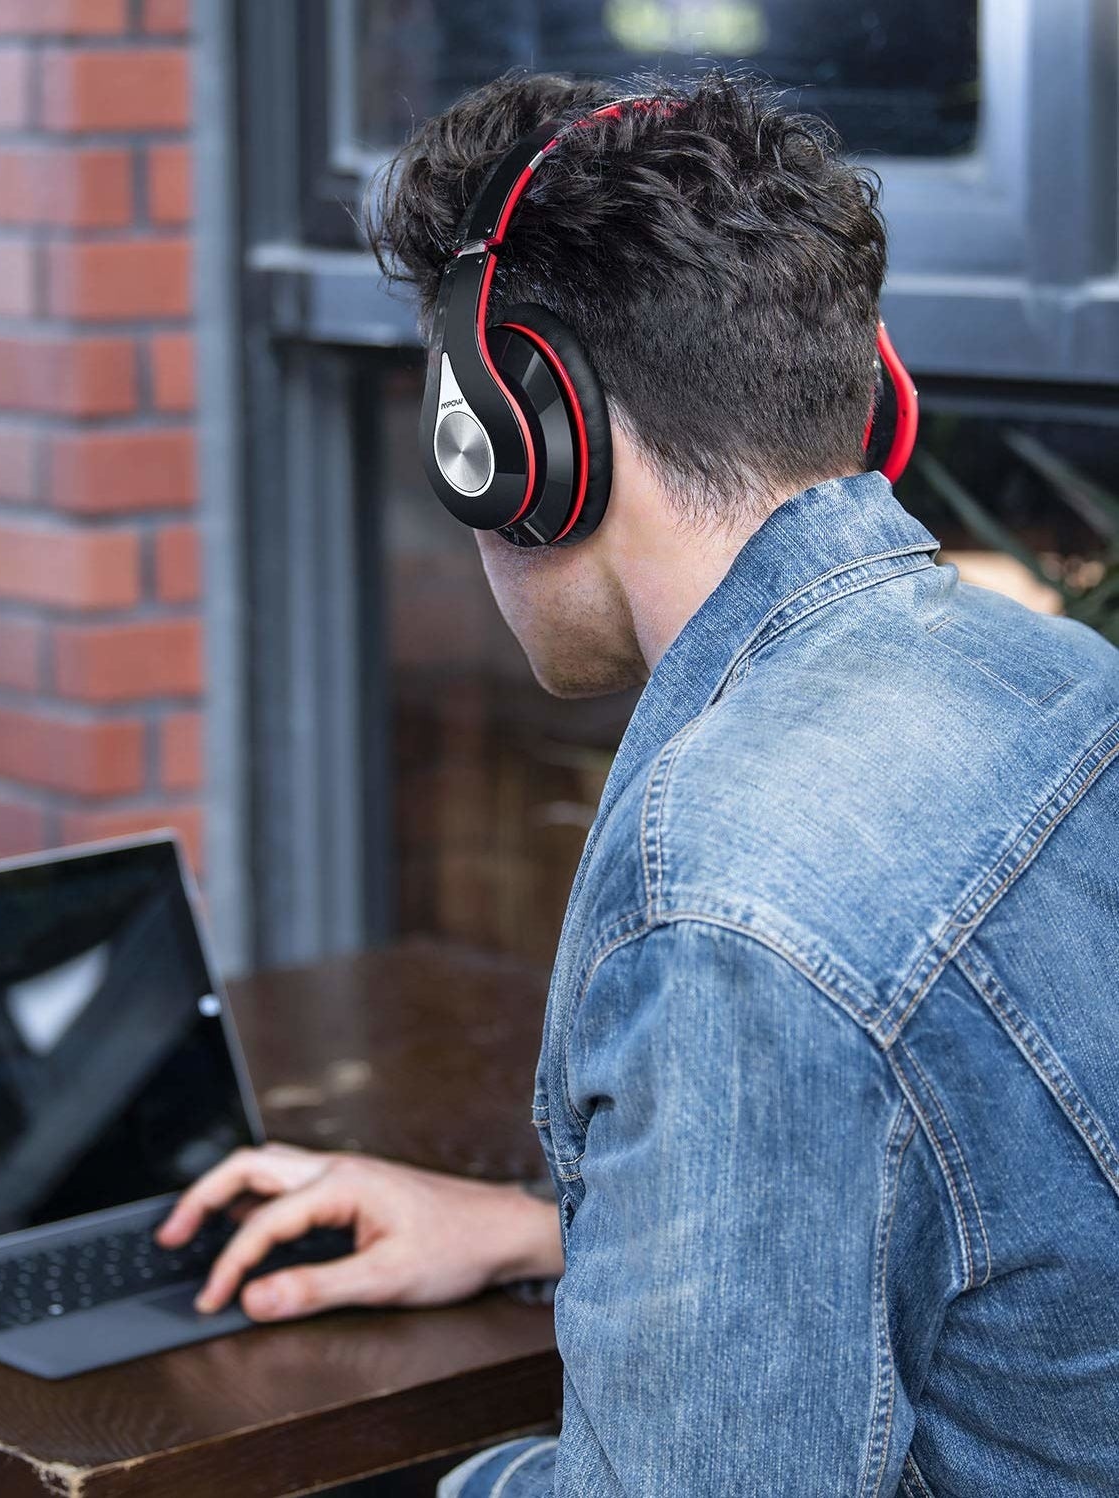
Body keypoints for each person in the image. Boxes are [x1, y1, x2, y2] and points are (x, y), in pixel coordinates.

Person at [157, 72, 1119, 1496]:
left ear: (519, 447)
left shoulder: (726, 885)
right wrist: (552, 1228)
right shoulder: (1057, 680)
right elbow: (993, 1225)